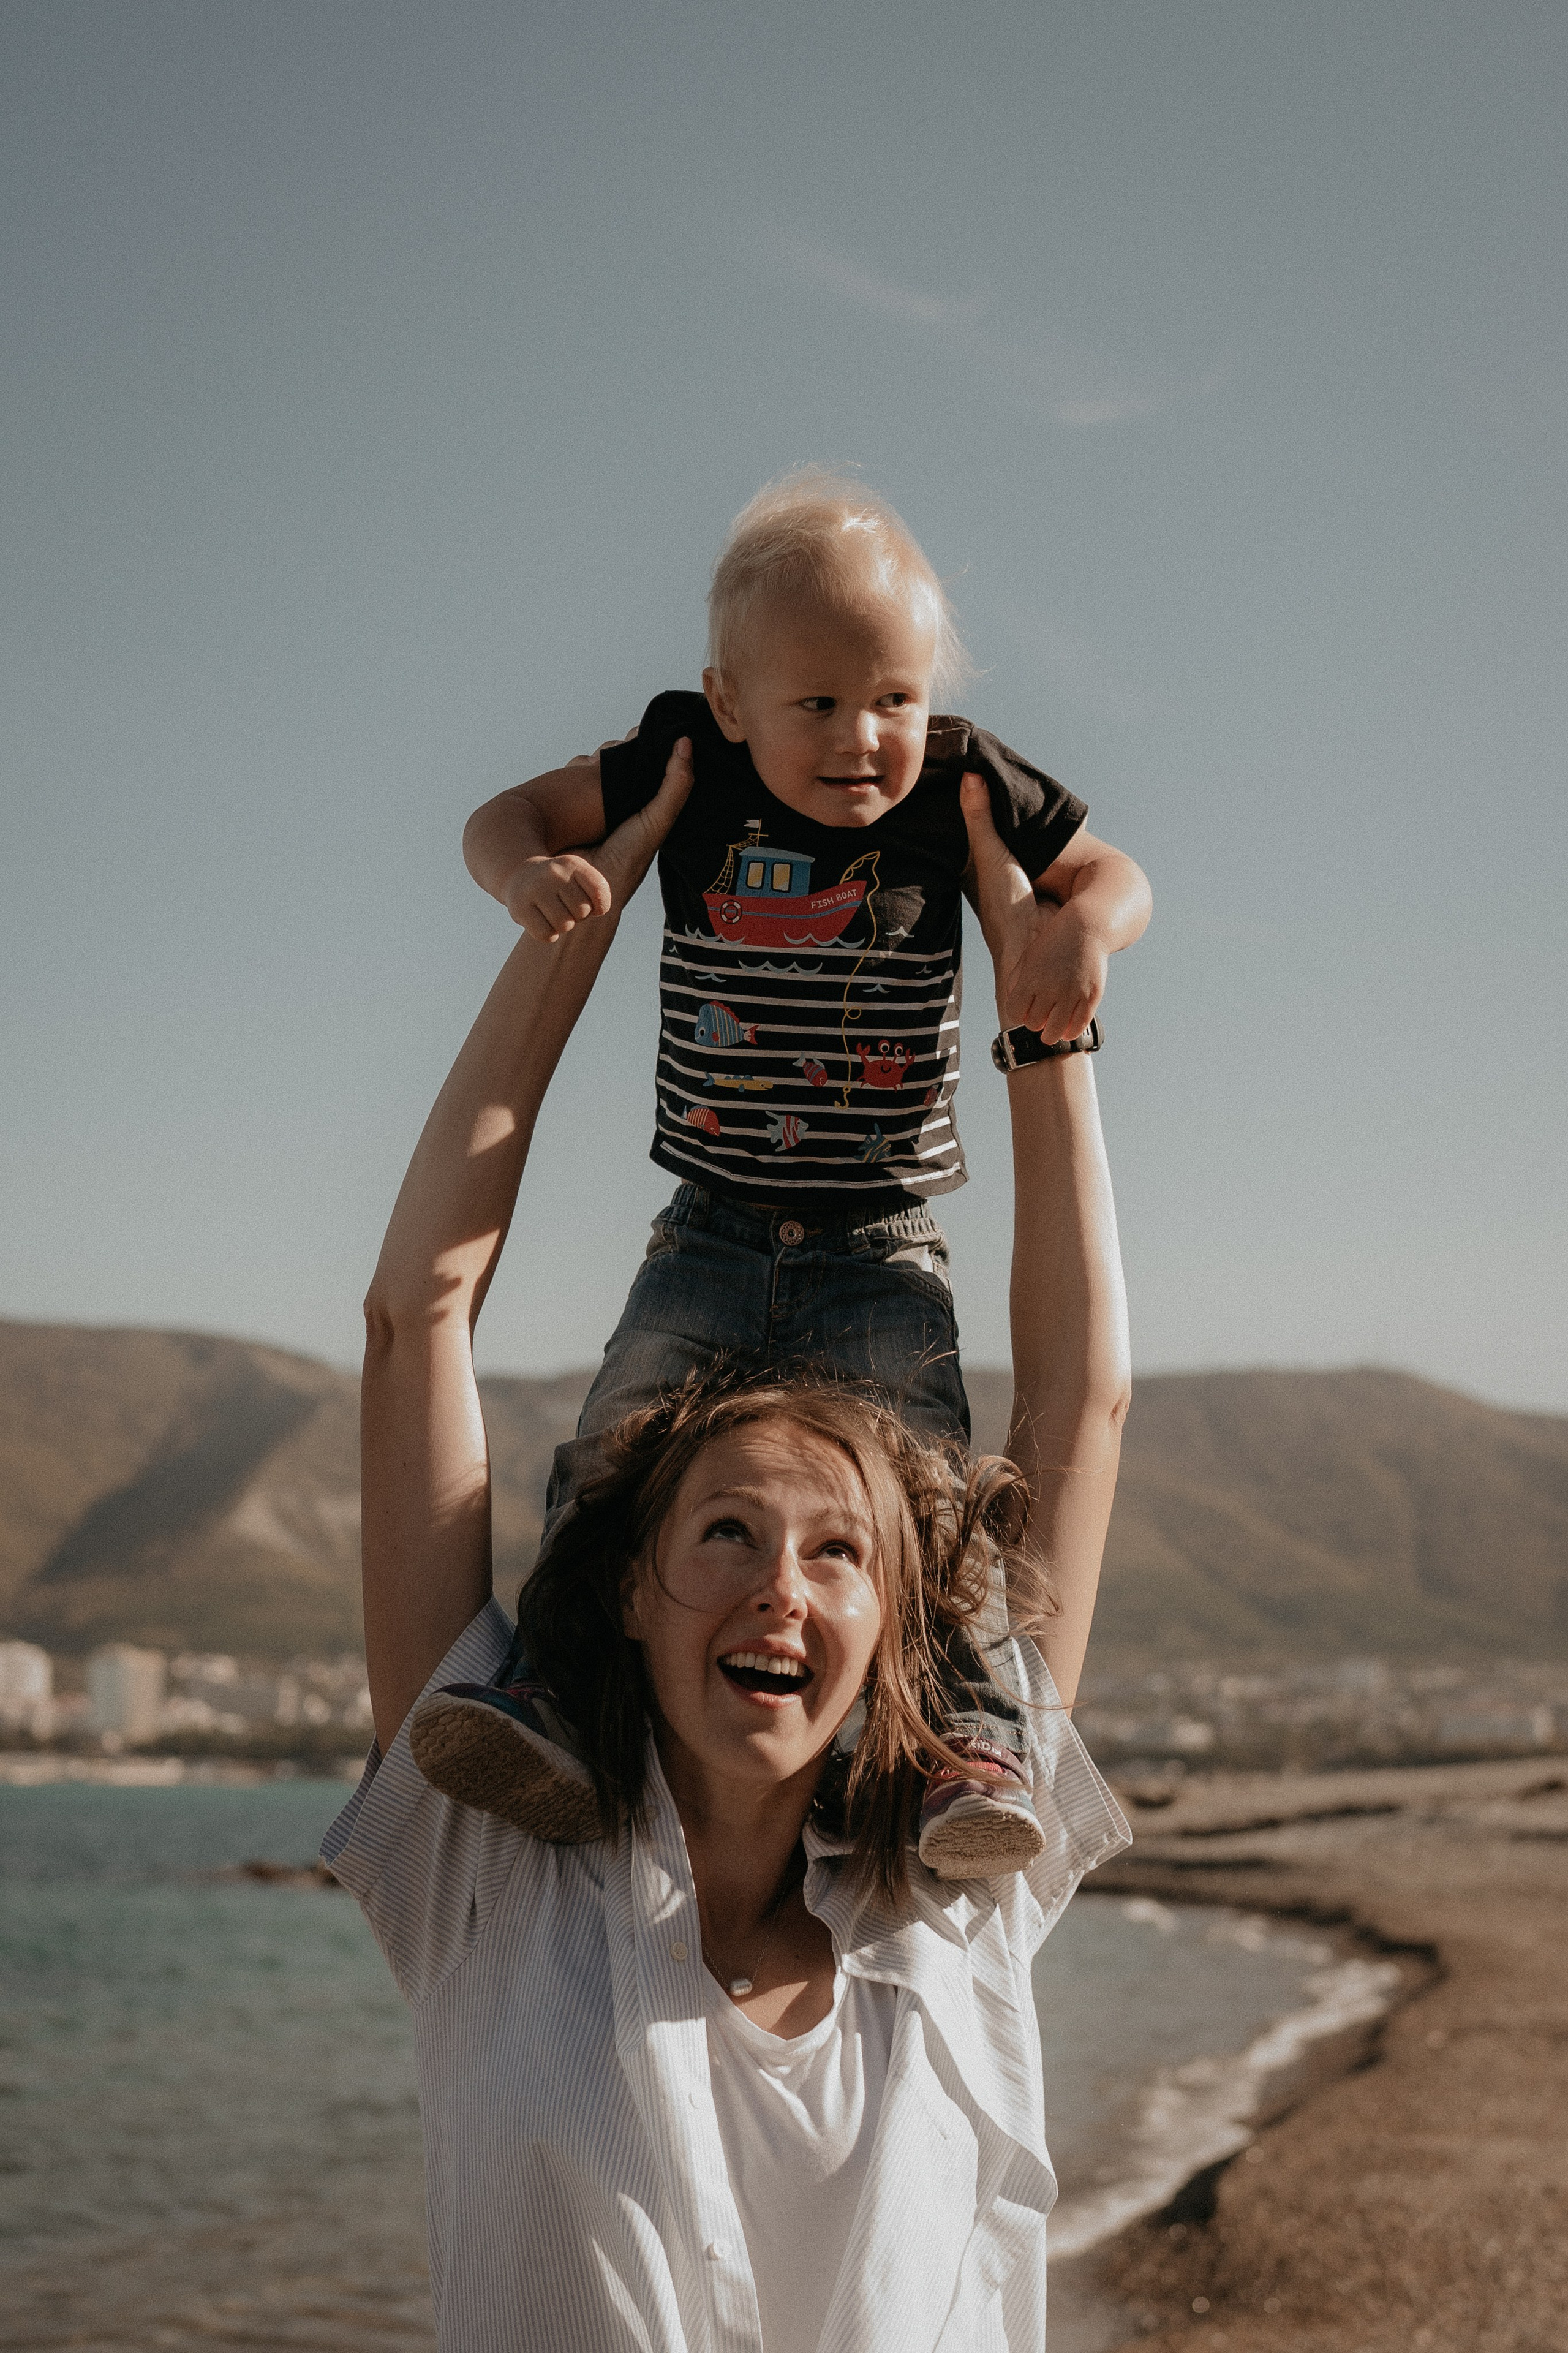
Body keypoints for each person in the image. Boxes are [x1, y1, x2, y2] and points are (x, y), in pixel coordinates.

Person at [323, 753, 1133, 2353]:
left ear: (898, 1614)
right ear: (626, 1588)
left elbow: (1079, 1398)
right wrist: (565, 930)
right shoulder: (490, 1867)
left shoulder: (963, 1884)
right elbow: (414, 1315)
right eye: (728, 1531)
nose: (785, 1582)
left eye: (842, 1552)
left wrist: (1050, 1030)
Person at [412, 470, 1151, 1878]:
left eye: (891, 695)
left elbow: (1116, 874)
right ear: (730, 697)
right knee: (615, 1450)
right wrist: (523, 882)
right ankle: (561, 1697)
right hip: (706, 1221)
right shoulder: (681, 761)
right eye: (814, 704)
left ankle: (961, 1745)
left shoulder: (963, 782)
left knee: (925, 1496)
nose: (861, 737)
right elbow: (503, 815)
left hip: (882, 1238)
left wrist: (1080, 939)